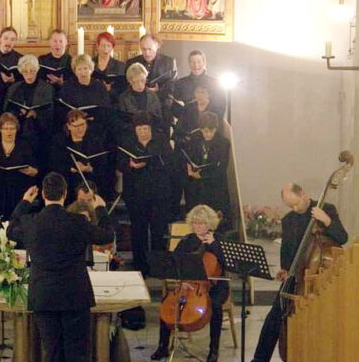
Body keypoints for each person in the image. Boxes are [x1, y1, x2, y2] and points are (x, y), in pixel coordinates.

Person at [9, 173, 114, 362]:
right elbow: (106, 236)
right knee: (75, 353)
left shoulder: (31, 221)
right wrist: (102, 209)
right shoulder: (77, 221)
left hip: (44, 296)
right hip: (74, 294)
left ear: (43, 195)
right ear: (65, 194)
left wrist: (24, 202)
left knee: (52, 353)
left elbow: (11, 230)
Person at [244, 182, 348, 362]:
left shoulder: (326, 209)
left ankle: (316, 361)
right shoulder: (289, 219)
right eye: (289, 205)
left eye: (296, 204)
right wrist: (284, 269)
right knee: (276, 314)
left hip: (320, 277)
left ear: (303, 194)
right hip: (296, 274)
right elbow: (287, 248)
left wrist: (326, 221)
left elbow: (342, 237)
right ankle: (258, 361)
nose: (294, 209)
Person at [150, 205, 229, 362]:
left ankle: (214, 348)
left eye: (202, 223)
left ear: (210, 224)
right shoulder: (188, 240)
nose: (198, 227)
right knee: (167, 301)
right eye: (195, 223)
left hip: (215, 286)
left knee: (215, 305)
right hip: (187, 285)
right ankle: (162, 346)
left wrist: (213, 244)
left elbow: (228, 262)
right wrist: (181, 280)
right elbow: (175, 263)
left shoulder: (219, 239)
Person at [117, 112, 176, 278]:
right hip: (136, 194)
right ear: (135, 130)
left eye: (146, 128)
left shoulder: (161, 141)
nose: (143, 132)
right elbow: (120, 163)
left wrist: (154, 161)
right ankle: (141, 267)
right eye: (140, 129)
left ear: (151, 128)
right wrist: (130, 165)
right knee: (138, 231)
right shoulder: (127, 143)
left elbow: (171, 164)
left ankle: (159, 267)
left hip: (158, 193)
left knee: (159, 231)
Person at [0, 113, 39, 223]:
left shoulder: (24, 145)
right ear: (0, 129)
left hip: (17, 192)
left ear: (16, 129)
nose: (9, 132)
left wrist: (30, 171)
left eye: (12, 128)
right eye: (6, 128)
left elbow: (35, 170)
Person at [49, 109, 113, 202]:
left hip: (91, 183)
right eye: (76, 126)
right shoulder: (60, 142)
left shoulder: (95, 142)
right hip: (69, 184)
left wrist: (90, 168)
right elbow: (55, 164)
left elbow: (104, 165)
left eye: (83, 124)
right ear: (68, 126)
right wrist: (72, 168)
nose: (80, 129)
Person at [180, 111, 231, 224]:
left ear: (216, 128)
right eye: (204, 131)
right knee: (196, 222)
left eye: (211, 131)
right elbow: (188, 157)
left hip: (215, 189)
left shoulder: (223, 143)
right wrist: (190, 169)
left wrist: (201, 175)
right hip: (196, 189)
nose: (207, 134)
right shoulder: (195, 140)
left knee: (213, 223)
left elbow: (222, 168)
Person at [4, 54, 55, 164]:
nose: (29, 75)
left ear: (37, 70)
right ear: (21, 72)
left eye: (32, 71)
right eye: (25, 72)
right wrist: (18, 113)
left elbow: (51, 113)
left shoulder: (46, 88)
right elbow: (7, 112)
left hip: (39, 134)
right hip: (18, 132)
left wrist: (36, 114)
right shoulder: (14, 88)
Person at [57, 54, 113, 141]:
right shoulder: (68, 86)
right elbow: (62, 108)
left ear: (91, 69)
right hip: (74, 125)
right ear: (75, 71)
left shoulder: (99, 86)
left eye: (86, 68)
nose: (83, 72)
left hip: (95, 125)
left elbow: (106, 108)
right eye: (79, 69)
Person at [118, 62, 166, 139]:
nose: (140, 85)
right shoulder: (124, 98)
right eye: (136, 82)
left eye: (142, 80)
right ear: (130, 81)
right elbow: (122, 122)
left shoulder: (153, 96)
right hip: (131, 135)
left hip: (152, 134)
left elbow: (159, 118)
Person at [173, 50, 226, 117]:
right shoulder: (180, 84)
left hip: (210, 124)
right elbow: (175, 106)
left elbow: (220, 107)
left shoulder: (216, 84)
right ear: (189, 63)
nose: (196, 65)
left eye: (199, 62)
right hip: (186, 123)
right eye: (193, 62)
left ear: (204, 63)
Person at [127, 34, 177, 102]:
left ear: (157, 46)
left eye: (150, 49)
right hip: (137, 103)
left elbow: (173, 85)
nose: (147, 53)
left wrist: (158, 90)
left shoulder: (169, 62)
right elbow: (127, 85)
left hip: (162, 103)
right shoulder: (132, 62)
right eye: (143, 49)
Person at [0, 27, 23, 95]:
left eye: (12, 39)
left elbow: (25, 81)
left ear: (15, 42)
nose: (8, 42)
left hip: (13, 95)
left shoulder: (21, 59)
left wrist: (14, 80)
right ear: (0, 39)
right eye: (5, 38)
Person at [93, 31, 127, 98]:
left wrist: (110, 89)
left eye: (108, 46)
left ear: (112, 47)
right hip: (93, 99)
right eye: (103, 45)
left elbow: (123, 90)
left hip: (112, 101)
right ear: (97, 46)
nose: (105, 49)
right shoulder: (90, 64)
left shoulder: (120, 66)